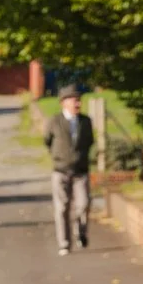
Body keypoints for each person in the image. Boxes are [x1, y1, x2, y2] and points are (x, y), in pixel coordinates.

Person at [45, 89, 95, 254]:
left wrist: (81, 157)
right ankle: (64, 243)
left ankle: (81, 231)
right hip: (60, 171)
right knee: (62, 208)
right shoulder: (55, 121)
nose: (78, 104)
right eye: (75, 100)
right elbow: (47, 140)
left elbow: (89, 141)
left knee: (83, 204)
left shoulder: (85, 121)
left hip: (80, 171)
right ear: (64, 102)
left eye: (79, 100)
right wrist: (58, 156)